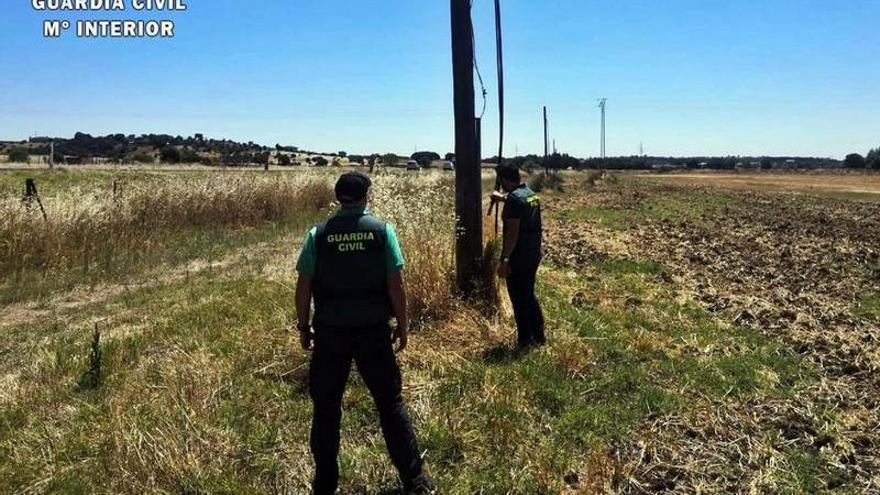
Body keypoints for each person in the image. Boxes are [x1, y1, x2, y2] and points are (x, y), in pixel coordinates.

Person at [295, 172, 435, 494]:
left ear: (337, 197)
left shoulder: (318, 235)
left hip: (330, 332)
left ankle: (325, 484)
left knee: (327, 407)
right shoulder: (382, 231)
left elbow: (303, 286)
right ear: (366, 196)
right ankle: (415, 480)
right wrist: (403, 324)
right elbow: (395, 285)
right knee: (389, 402)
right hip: (373, 331)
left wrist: (304, 326)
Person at [490, 165, 546, 349]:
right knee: (528, 294)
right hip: (533, 253)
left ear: (506, 180)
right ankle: (539, 335)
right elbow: (517, 203)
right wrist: (502, 198)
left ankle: (524, 340)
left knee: (519, 298)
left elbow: (512, 233)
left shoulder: (514, 200)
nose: (501, 185)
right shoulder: (529, 193)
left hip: (518, 256)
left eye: (501, 181)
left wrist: (505, 260)